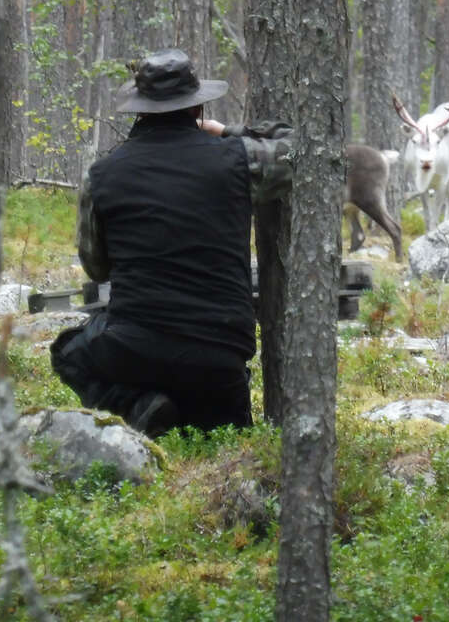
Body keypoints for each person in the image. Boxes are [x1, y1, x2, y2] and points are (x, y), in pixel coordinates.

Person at [50, 48, 292, 438]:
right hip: (220, 356)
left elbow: (97, 267)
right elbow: (301, 151)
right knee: (220, 432)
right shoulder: (237, 159)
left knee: (69, 352)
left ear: (140, 109)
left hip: (134, 348)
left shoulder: (103, 175)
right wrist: (227, 131)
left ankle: (138, 406)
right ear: (197, 109)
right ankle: (182, 413)